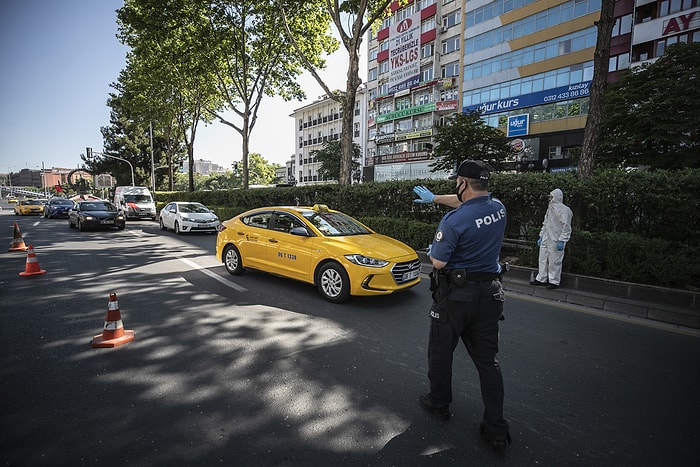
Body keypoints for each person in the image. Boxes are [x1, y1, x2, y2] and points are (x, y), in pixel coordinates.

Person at [414, 160, 511, 451]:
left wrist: (435, 250)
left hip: (456, 298)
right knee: (488, 363)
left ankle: (439, 404)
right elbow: (465, 203)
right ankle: (495, 429)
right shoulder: (498, 208)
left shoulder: (453, 221)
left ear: (463, 183)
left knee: (441, 353)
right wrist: (433, 198)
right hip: (490, 294)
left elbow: (439, 261)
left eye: (457, 181)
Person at [530, 188, 573, 289]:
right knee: (542, 259)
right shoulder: (550, 208)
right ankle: (541, 278)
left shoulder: (564, 210)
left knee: (555, 261)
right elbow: (546, 223)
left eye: (551, 196)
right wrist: (541, 236)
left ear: (556, 197)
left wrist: (562, 240)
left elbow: (566, 226)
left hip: (556, 239)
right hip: (547, 237)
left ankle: (554, 281)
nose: (550, 198)